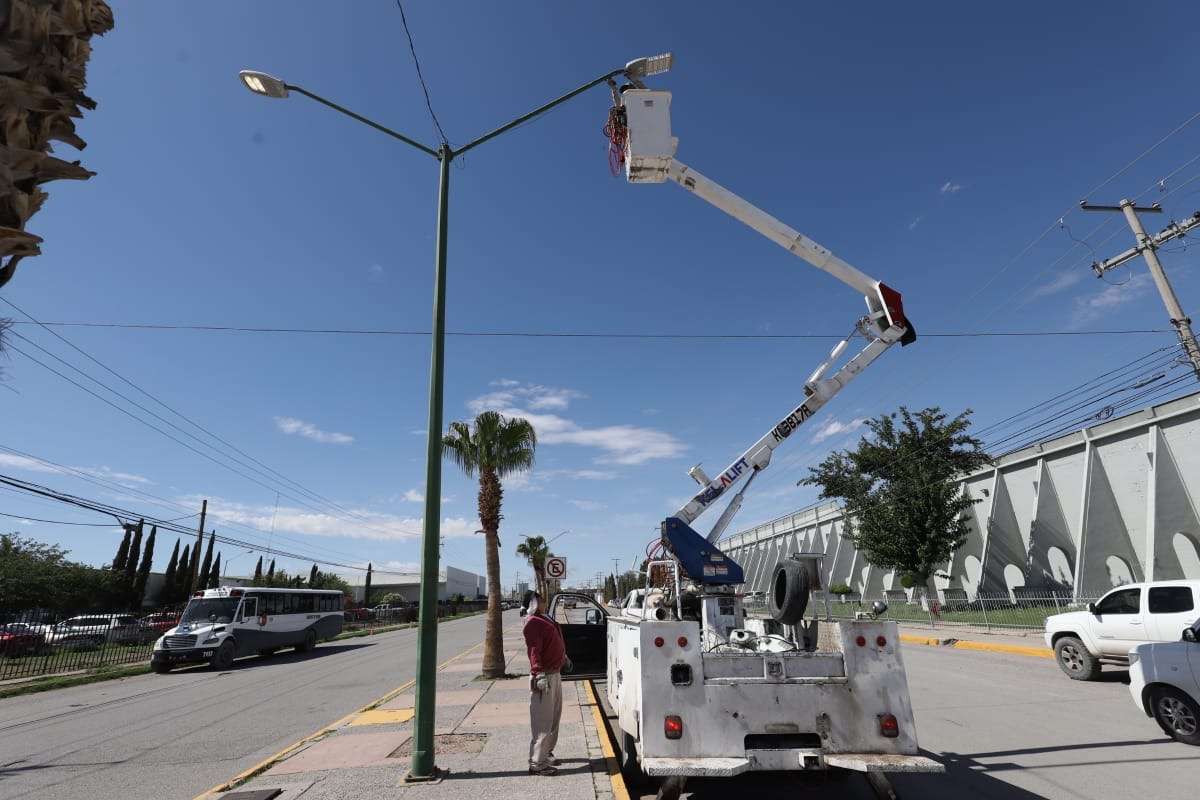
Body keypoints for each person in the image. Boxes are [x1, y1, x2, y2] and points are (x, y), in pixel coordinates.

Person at [522, 589, 571, 776]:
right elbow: (534, 651)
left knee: (554, 718)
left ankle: (547, 752)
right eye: (540, 599)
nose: (544, 601)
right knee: (542, 721)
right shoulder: (533, 622)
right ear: (533, 603)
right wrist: (538, 674)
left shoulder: (544, 618)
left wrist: (563, 657)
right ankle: (537, 763)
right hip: (545, 677)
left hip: (555, 674)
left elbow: (553, 640)